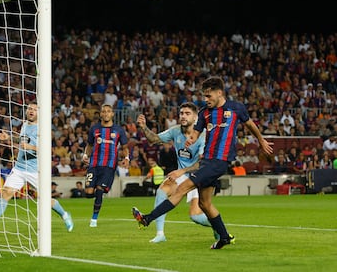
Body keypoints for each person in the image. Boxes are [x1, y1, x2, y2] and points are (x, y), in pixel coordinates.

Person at [133, 76, 273, 249]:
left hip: (219, 161)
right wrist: (192, 139)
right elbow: (197, 133)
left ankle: (147, 219)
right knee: (204, 204)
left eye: (209, 96)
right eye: (204, 96)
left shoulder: (236, 108)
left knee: (182, 188)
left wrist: (261, 140)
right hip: (207, 160)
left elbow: (250, 125)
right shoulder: (204, 113)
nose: (206, 100)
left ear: (219, 93)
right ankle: (224, 237)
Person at [0, 103, 74, 233]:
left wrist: (31, 148)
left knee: (46, 200)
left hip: (35, 171)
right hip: (19, 168)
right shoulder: (25, 124)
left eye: (35, 109)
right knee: (6, 193)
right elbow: (23, 140)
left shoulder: (42, 129)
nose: (31, 111)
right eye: (30, 108)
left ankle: (64, 215)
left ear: (39, 113)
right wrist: (9, 138)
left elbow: (46, 150)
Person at [137, 102, 217, 244]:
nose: (183, 116)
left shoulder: (203, 136)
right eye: (181, 113)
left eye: (187, 114)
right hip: (182, 176)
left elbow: (201, 163)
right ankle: (160, 234)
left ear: (195, 118)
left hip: (200, 176)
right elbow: (154, 139)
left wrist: (182, 171)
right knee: (162, 191)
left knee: (196, 216)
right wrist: (144, 128)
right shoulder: (175, 131)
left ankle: (218, 227)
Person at [82, 103, 129, 228]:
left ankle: (94, 219)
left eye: (109, 111)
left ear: (112, 114)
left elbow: (124, 147)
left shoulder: (119, 130)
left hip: (109, 165)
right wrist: (85, 155)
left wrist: (126, 157)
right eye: (104, 111)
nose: (106, 113)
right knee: (88, 192)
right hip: (94, 164)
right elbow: (90, 145)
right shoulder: (94, 129)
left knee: (99, 190)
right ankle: (97, 197)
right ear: (101, 114)